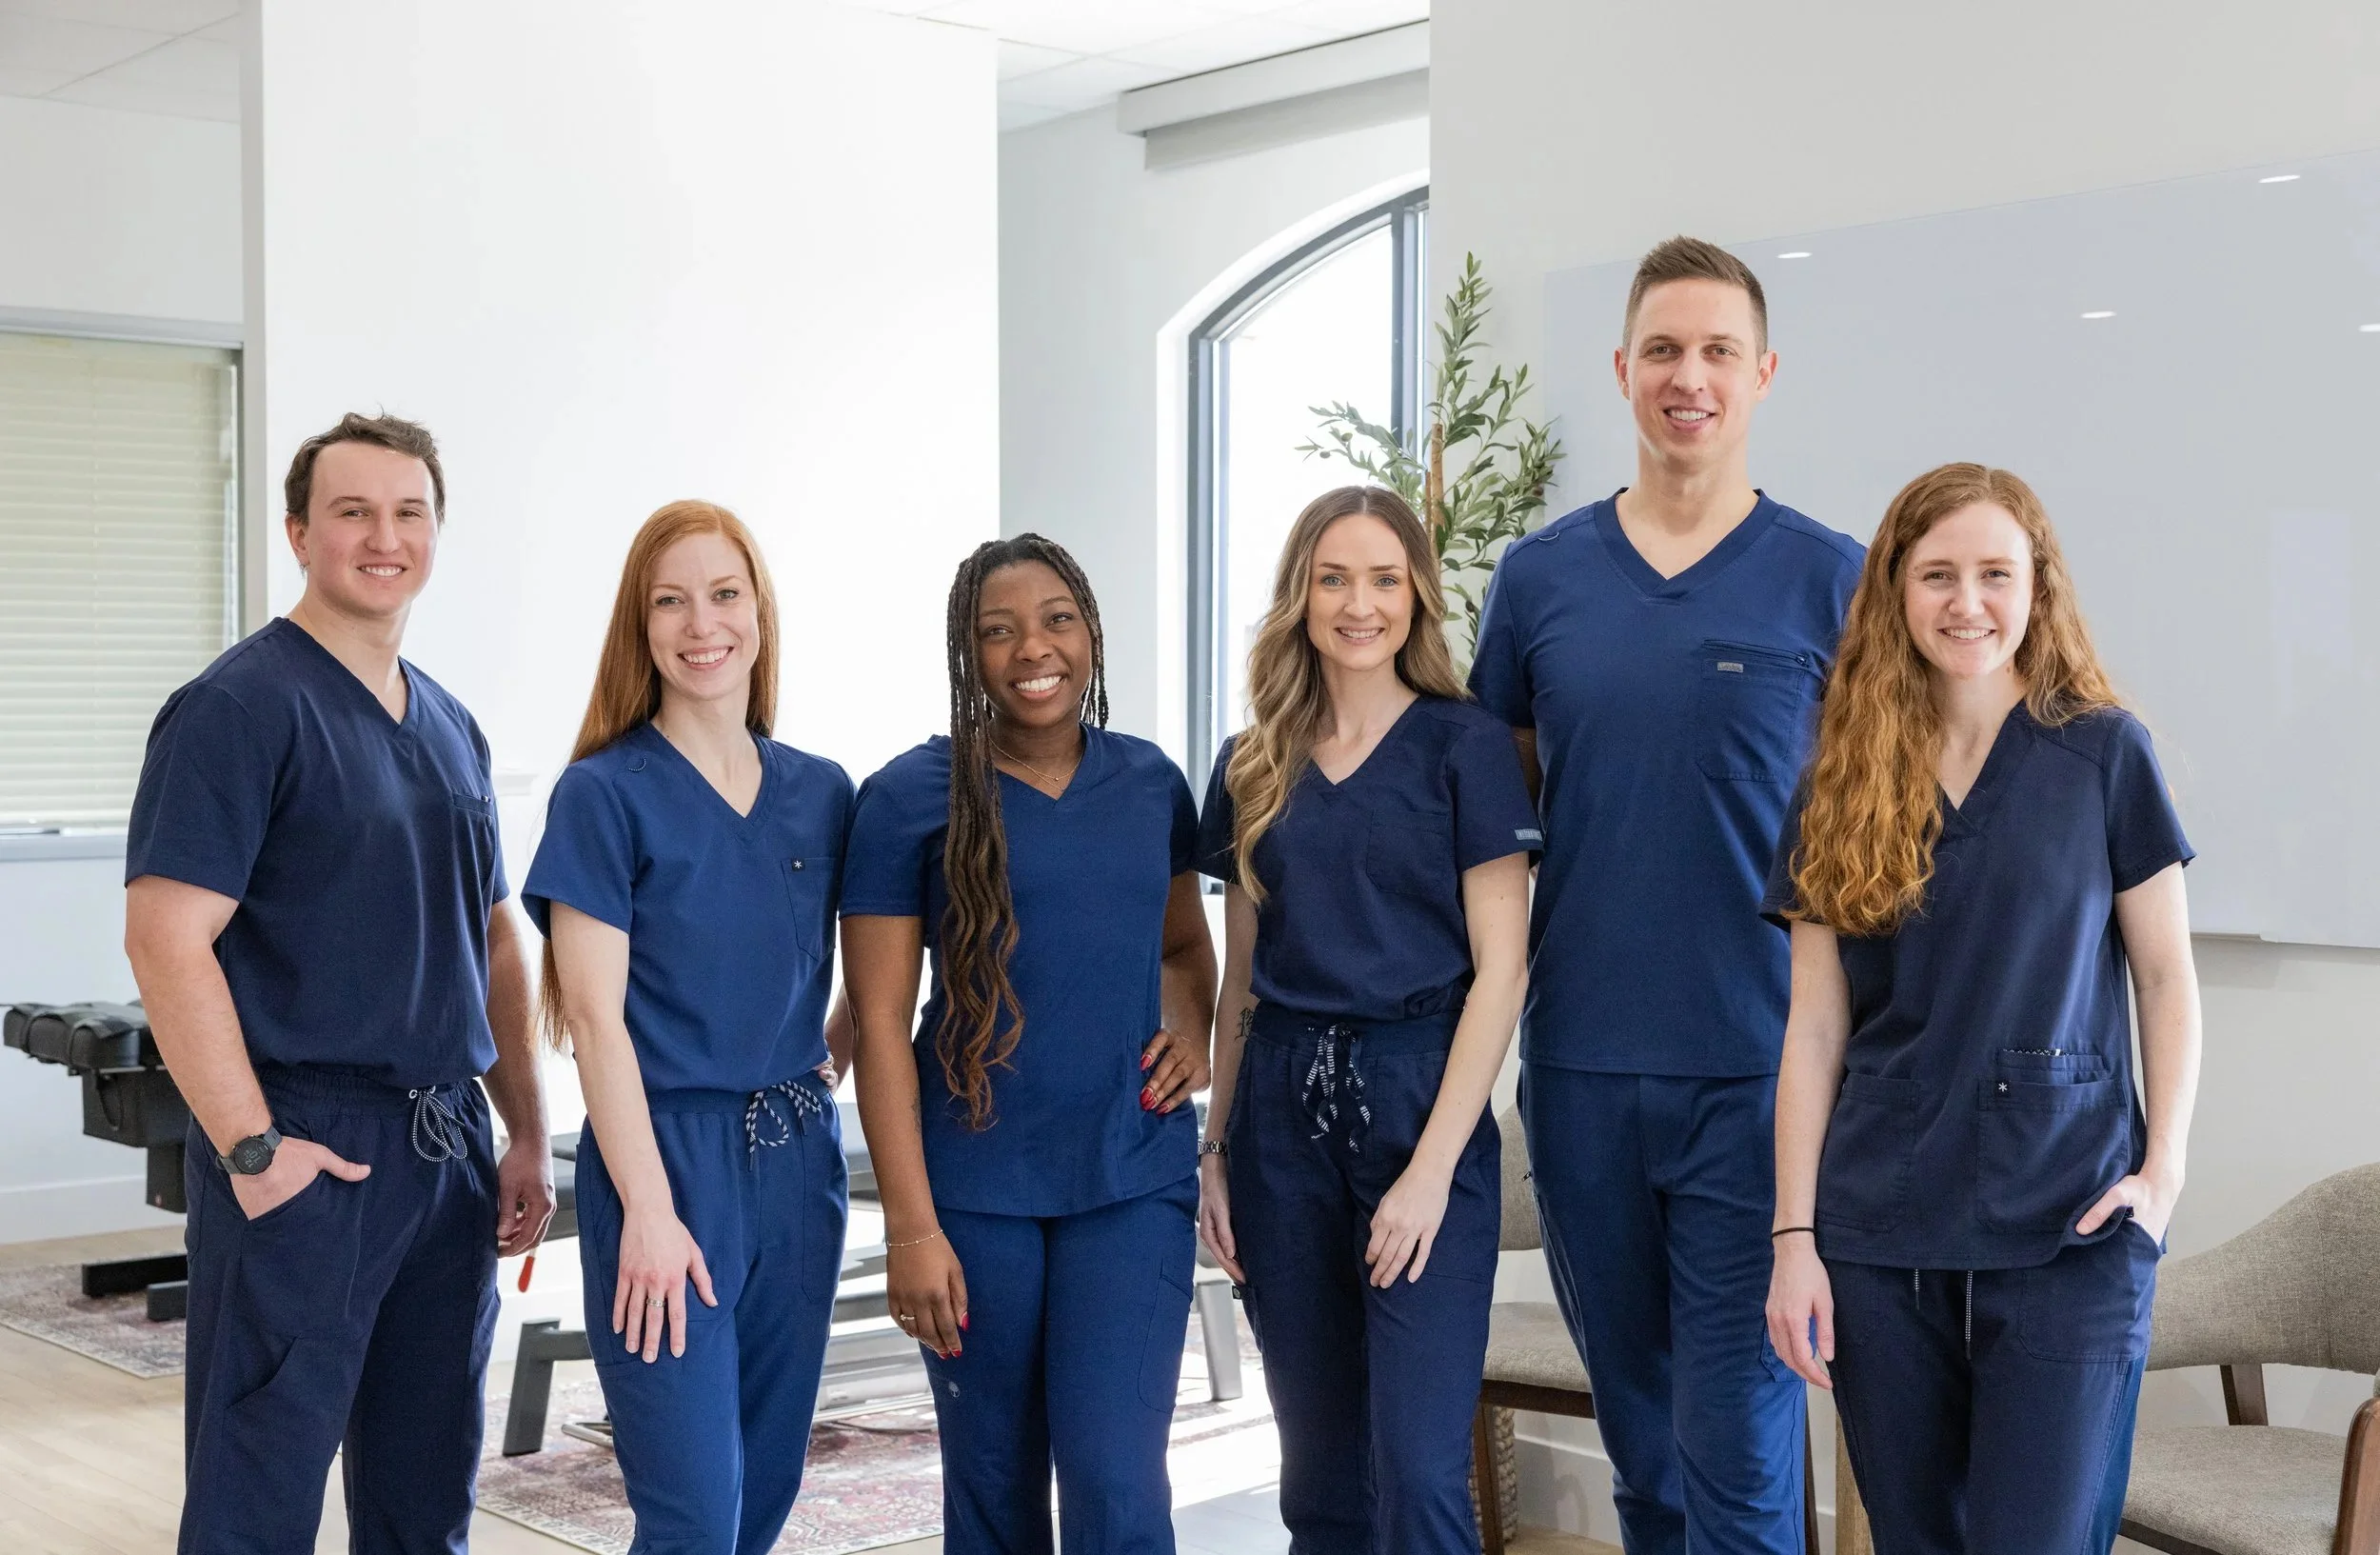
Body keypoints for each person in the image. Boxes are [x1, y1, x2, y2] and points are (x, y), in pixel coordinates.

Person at [1467, 236, 1864, 1554]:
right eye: (1661, 350)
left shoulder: (1831, 578)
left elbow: (1891, 822)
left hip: (1759, 1082)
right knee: (1645, 1450)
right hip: (1581, 1073)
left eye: (1714, 352)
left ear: (1763, 373)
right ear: (1623, 372)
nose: (1686, 376)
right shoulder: (1538, 583)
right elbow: (1495, 836)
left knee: (1742, 1459)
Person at [123, 413, 554, 1555]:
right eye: (353, 511)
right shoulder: (239, 708)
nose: (383, 536)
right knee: (257, 1494)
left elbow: (497, 939)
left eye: (408, 512)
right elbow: (167, 938)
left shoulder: (451, 723)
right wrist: (255, 1152)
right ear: (299, 531)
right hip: (311, 1146)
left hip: (448, 1148)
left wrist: (522, 1131)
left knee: (425, 1496)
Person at [1761, 464, 2200, 1554]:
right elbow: (1813, 1030)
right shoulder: (1839, 781)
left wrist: (2164, 1172)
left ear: (2036, 587)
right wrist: (1793, 1239)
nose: (1968, 603)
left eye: (1995, 574)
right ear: (1895, 593)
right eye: (1938, 574)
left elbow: (2164, 975)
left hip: (2071, 1220)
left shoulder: (2103, 753)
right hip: (1880, 1229)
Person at [841, 534, 1217, 1554]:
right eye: (995, 631)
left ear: (1090, 632)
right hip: (971, 1193)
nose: (1030, 649)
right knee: (995, 1486)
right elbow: (877, 1021)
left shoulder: (1151, 784)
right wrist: (909, 1227)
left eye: (1056, 618)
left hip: (1130, 1176)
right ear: (967, 654)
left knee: (1116, 1479)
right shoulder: (907, 798)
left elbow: (1184, 947)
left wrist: (1190, 1027)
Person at [1194, 486, 1535, 1554]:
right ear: (1300, 594)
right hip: (1277, 1131)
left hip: (1416, 1105)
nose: (1358, 603)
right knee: (1320, 1477)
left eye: (1384, 578)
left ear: (1416, 596)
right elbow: (1239, 979)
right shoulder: (1252, 761)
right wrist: (1214, 1150)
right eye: (1333, 577)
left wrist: (1431, 1170)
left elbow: (1502, 971)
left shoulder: (1463, 745)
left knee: (1422, 1473)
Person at [523, 501, 854, 1555]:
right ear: (641, 626)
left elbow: (866, 979)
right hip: (666, 1165)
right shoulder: (602, 795)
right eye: (670, 601)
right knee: (693, 1513)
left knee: (766, 1488)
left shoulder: (822, 793)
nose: (700, 623)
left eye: (723, 593)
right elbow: (593, 1020)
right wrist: (653, 1213)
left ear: (758, 609)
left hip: (800, 1161)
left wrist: (819, 1075)